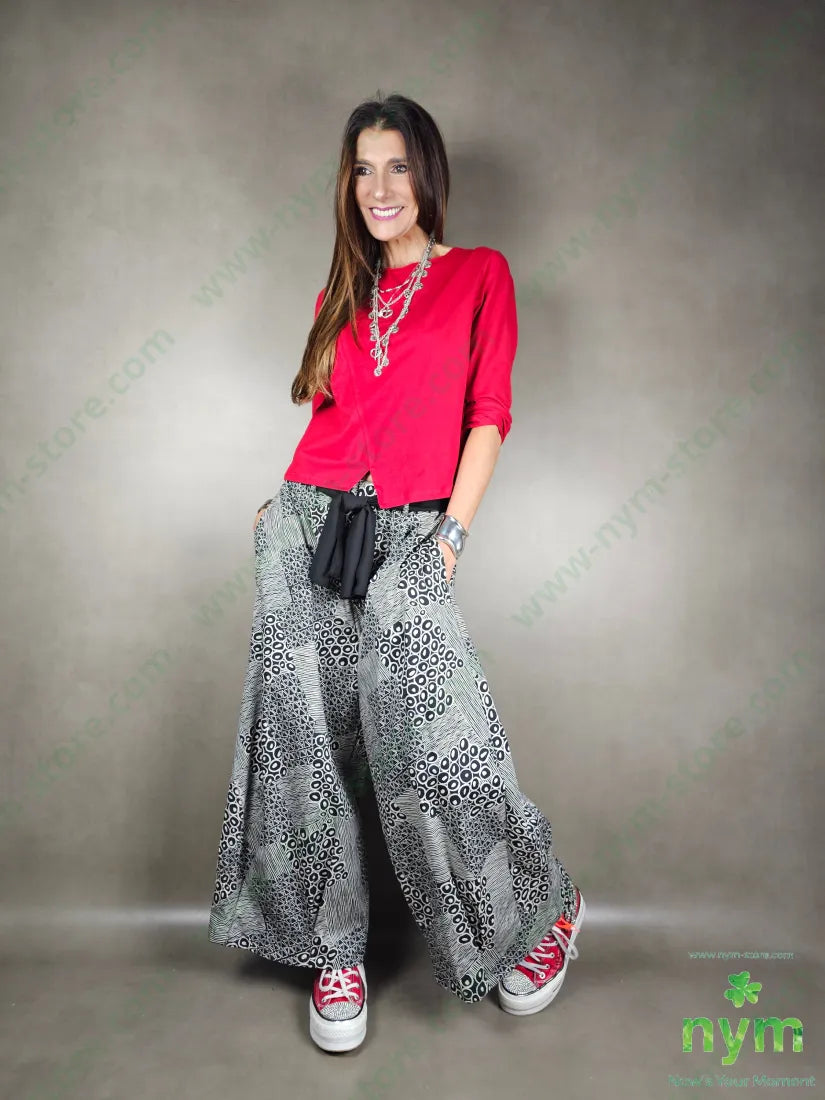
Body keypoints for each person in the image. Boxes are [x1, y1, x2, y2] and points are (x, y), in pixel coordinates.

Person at [208, 91, 585, 1054]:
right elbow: (333, 419)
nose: (380, 188)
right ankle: (334, 947)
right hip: (309, 524)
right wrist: (279, 506)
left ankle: (535, 908)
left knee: (433, 738)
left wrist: (450, 538)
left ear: (428, 175)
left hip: (417, 529)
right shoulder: (339, 294)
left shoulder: (479, 275)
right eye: (363, 170)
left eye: (398, 166)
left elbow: (488, 415)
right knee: (306, 738)